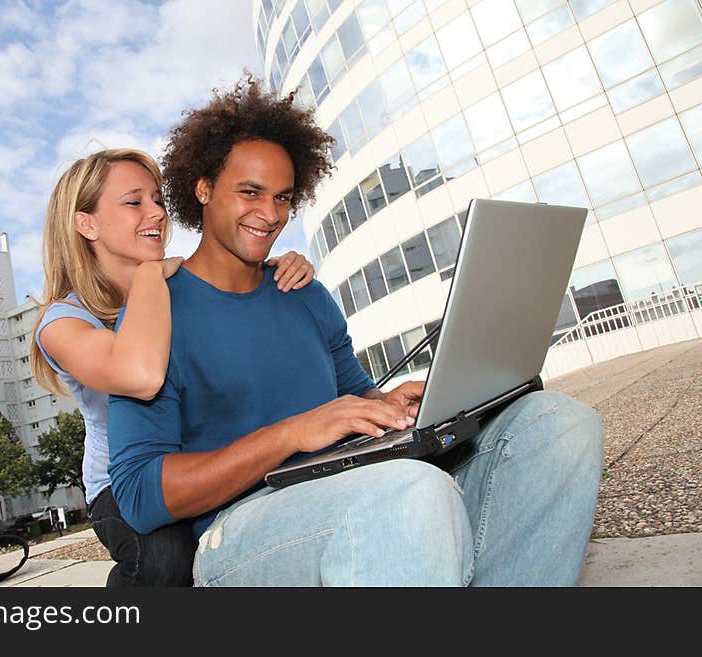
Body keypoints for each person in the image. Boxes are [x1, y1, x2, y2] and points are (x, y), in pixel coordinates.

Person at [107, 76, 604, 587]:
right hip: (240, 530)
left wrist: (397, 405)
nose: (270, 214)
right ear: (204, 187)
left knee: (559, 423)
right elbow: (142, 497)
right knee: (408, 493)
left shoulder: (302, 292)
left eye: (283, 197)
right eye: (250, 192)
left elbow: (355, 397)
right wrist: (291, 433)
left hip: (361, 485)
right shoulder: (157, 315)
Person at [30, 148, 317, 586]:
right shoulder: (63, 322)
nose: (156, 213)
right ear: (86, 223)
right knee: (167, 558)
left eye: (158, 199)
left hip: (196, 456)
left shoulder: (179, 282)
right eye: (134, 202)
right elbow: (141, 376)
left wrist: (276, 271)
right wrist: (147, 278)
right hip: (125, 484)